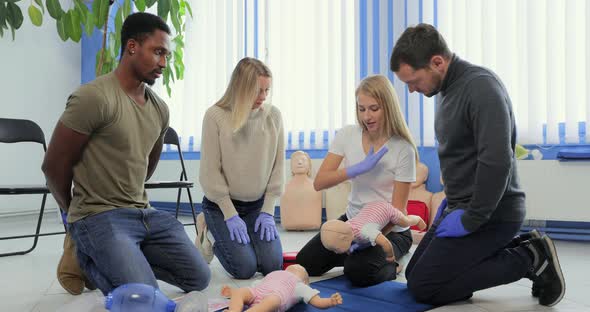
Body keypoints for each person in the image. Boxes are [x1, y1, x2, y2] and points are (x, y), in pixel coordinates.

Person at [390, 23, 565, 307]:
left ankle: (529, 257)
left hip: (494, 213)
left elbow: (496, 162)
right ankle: (519, 248)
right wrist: (451, 204)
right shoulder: (447, 90)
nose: (411, 90)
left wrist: (473, 217)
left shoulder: (480, 87)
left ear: (437, 62)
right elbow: (463, 159)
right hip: (462, 207)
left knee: (425, 287)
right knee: (414, 274)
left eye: (413, 81)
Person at [42, 12, 211, 296]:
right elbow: (53, 166)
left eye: (166, 55)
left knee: (200, 277)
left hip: (143, 214)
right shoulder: (93, 98)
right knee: (143, 295)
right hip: (98, 216)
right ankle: (85, 253)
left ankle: (121, 254)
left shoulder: (159, 109)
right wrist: (74, 215)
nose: (164, 63)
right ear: (132, 46)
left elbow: (147, 163)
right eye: (158, 52)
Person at [296, 74, 418, 287]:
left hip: (390, 230)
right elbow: (319, 182)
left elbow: (398, 211)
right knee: (306, 263)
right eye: (362, 109)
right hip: (352, 222)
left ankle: (396, 263)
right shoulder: (347, 135)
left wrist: (368, 237)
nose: (367, 116)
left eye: (374, 108)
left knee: (358, 272)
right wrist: (355, 169)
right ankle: (357, 256)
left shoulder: (402, 149)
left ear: (388, 107)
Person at [199, 57, 284, 279]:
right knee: (244, 269)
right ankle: (207, 226)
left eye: (267, 90)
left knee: (272, 266)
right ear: (241, 87)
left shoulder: (274, 116)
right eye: (257, 91)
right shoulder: (215, 116)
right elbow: (210, 172)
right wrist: (229, 213)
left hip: (257, 207)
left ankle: (247, 235)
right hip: (222, 206)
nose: (263, 97)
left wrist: (268, 210)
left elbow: (278, 166)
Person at [320, 201, 426, 262]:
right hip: (371, 208)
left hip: (386, 209)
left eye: (336, 249)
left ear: (344, 238)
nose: (335, 252)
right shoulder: (347, 226)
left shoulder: (365, 231)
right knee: (376, 235)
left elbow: (385, 243)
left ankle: (417, 219)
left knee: (405, 222)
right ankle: (389, 224)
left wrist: (390, 256)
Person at [220, 264, 343, 312]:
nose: (294, 268)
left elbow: (317, 301)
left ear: (306, 282)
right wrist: (233, 293)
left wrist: (329, 301)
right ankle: (233, 310)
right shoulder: (275, 274)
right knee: (241, 291)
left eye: (299, 269)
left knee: (272, 301)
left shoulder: (300, 285)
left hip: (275, 297)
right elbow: (254, 286)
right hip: (257, 291)